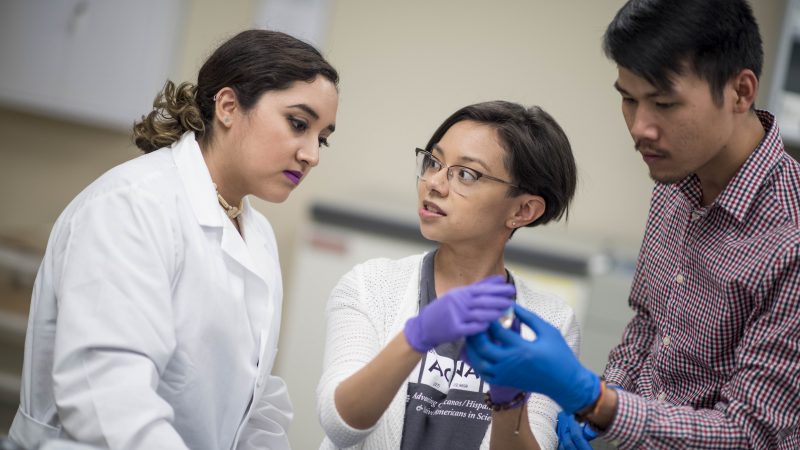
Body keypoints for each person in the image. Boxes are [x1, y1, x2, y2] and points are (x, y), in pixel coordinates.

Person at [465, 0, 800, 449]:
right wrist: (608, 395)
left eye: (664, 103)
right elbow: (649, 324)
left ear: (740, 91)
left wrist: (595, 399)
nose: (641, 128)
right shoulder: (676, 178)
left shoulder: (790, 236)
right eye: (628, 99)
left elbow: (750, 434)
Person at [8, 29, 339, 450]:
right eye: (298, 124)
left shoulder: (258, 235)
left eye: (322, 138)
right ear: (228, 106)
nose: (312, 155)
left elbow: (256, 400)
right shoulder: (131, 206)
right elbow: (108, 401)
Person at [316, 100, 579, 450]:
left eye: (466, 174)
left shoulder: (549, 321)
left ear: (523, 210)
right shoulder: (370, 286)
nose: (434, 183)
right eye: (434, 162)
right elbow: (340, 426)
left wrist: (510, 402)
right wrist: (416, 337)